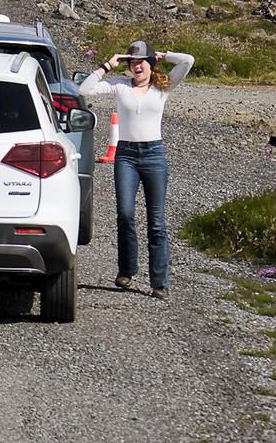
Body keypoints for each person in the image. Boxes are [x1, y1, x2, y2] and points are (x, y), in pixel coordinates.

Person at [79, 39, 195, 301]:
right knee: (126, 214)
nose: (137, 66)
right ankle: (127, 270)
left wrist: (164, 54)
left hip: (154, 154)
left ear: (151, 64)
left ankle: (160, 283)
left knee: (156, 222)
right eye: (133, 62)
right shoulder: (120, 85)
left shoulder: (163, 86)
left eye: (142, 61)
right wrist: (109, 64)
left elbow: (188, 61)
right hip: (126, 155)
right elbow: (84, 89)